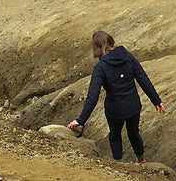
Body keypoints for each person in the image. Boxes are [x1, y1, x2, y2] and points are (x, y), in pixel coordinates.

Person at [67, 31, 165, 163]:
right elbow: (143, 78)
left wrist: (80, 120)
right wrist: (156, 101)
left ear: (96, 48)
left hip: (115, 110)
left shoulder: (100, 68)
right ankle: (142, 161)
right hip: (133, 106)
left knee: (114, 135)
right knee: (134, 133)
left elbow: (93, 96)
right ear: (111, 41)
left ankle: (118, 165)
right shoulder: (128, 56)